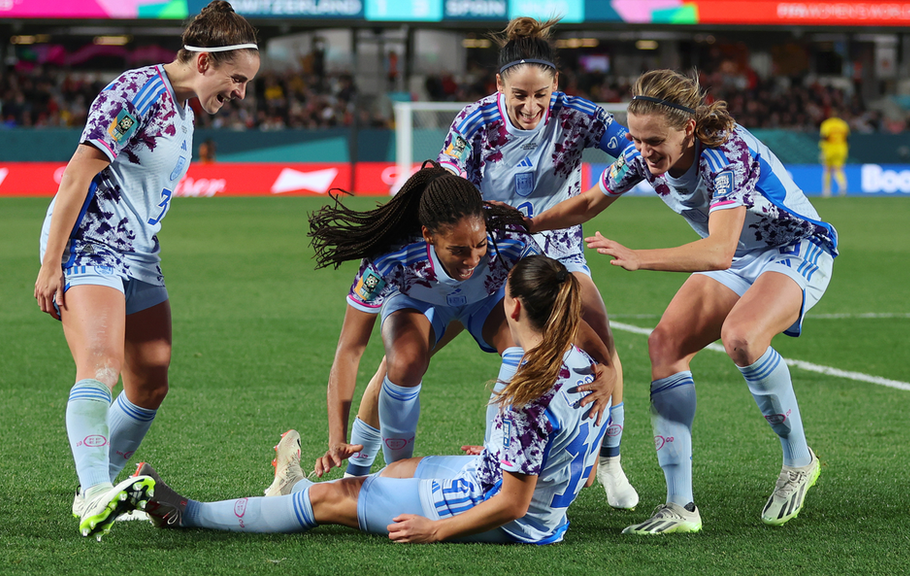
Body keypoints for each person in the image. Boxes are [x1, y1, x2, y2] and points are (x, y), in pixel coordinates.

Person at [341, 16, 638, 510]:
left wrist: (583, 204)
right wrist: (481, 231)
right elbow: (449, 190)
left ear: (556, 85)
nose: (530, 106)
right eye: (518, 94)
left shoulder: (580, 115)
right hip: (485, 250)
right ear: (498, 85)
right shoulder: (474, 122)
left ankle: (608, 462)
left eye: (540, 94)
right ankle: (358, 468)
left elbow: (635, 157)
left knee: (597, 336)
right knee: (407, 358)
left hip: (558, 243)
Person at [531, 69, 838, 534]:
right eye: (635, 138)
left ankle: (799, 460)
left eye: (654, 140)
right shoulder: (642, 155)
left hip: (794, 249)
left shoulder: (727, 154)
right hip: (739, 253)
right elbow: (589, 202)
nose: (643, 150)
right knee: (665, 347)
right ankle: (680, 507)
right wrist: (527, 224)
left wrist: (639, 258)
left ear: (689, 129)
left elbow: (718, 251)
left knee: (741, 338)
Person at [134, 255, 611, 545]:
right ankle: (290, 488)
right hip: (542, 511)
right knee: (394, 470)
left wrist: (437, 531)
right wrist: (506, 455)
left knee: (336, 496)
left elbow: (512, 501)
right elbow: (575, 458)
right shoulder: (589, 367)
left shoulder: (525, 390)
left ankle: (188, 512)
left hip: (509, 517)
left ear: (513, 306)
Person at [32, 0, 260, 541]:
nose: (240, 93)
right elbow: (77, 175)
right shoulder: (138, 91)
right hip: (89, 245)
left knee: (150, 382)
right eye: (236, 78)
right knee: (102, 365)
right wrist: (51, 262)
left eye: (247, 83)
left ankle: (102, 488)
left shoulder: (184, 108)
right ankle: (92, 494)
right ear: (203, 62)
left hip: (139, 254)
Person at [305, 162, 616, 481]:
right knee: (403, 362)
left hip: (486, 302)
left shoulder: (508, 236)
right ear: (428, 235)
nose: (471, 259)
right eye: (458, 250)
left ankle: (497, 460)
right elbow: (350, 350)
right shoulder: (390, 255)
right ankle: (396, 474)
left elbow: (555, 308)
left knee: (522, 346)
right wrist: (336, 436)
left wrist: (605, 364)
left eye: (480, 246)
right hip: (418, 304)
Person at [819, 111, 849, 197]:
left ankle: (827, 190)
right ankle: (843, 186)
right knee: (838, 169)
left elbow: (825, 137)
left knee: (827, 170)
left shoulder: (827, 124)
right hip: (841, 149)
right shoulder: (843, 124)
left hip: (829, 149)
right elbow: (846, 137)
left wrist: (822, 149)